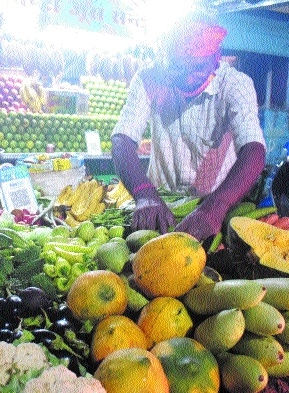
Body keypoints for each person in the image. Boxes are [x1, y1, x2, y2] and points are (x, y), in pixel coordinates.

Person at [111, 9, 266, 243]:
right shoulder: (149, 79)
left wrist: (215, 207)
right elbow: (122, 139)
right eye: (178, 67)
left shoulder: (236, 85)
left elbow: (254, 150)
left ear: (217, 58)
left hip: (213, 213)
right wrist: (144, 194)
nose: (187, 77)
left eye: (197, 68)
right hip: (159, 209)